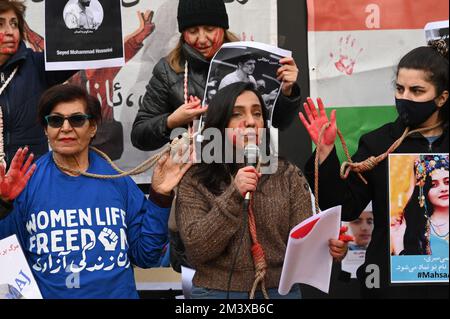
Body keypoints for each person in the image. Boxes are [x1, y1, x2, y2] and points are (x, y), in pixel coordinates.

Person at [0, 84, 191, 298]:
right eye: (55, 120)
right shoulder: (27, 181)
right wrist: (3, 204)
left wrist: (160, 196)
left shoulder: (117, 180)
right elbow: (6, 260)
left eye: (77, 119)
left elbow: (146, 255)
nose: (65, 128)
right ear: (46, 129)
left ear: (92, 128)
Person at [299, 40, 449, 298]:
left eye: (416, 91)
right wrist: (325, 152)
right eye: (400, 89)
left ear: (441, 98)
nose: (405, 98)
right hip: (391, 286)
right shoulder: (378, 143)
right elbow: (345, 206)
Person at [175, 82, 349, 299]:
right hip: (216, 293)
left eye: (257, 114)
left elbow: (305, 239)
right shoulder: (194, 179)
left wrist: (331, 248)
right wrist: (234, 193)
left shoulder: (285, 173)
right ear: (219, 125)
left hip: (279, 291)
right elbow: (196, 249)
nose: (250, 121)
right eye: (237, 114)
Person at [131, 0, 302, 152]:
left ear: (223, 27)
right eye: (192, 30)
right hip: (193, 175)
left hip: (249, 168)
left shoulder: (249, 60)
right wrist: (171, 121)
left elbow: (280, 122)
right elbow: (139, 136)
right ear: (183, 33)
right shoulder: (168, 69)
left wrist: (287, 91)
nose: (202, 39)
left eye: (210, 29)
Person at [0, 1, 76, 167]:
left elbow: (80, 54)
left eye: (14, 24)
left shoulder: (36, 65)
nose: (10, 32)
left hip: (30, 177)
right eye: (0, 24)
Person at [391, 154, 448, 256]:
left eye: (447, 182)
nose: (443, 189)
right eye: (433, 185)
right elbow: (409, 267)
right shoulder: (415, 226)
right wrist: (398, 242)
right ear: (423, 190)